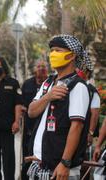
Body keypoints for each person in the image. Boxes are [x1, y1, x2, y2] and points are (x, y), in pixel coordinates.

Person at [27, 34, 92, 180]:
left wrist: (65, 162)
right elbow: (31, 111)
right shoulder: (48, 83)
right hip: (39, 165)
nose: (53, 54)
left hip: (60, 170)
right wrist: (48, 96)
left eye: (58, 50)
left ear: (72, 55)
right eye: (52, 51)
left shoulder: (78, 86)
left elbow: (76, 127)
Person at [21, 60, 48, 180]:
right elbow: (21, 103)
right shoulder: (27, 84)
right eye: (39, 66)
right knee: (27, 153)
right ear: (34, 69)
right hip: (29, 126)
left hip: (45, 126)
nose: (41, 68)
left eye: (43, 66)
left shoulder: (51, 83)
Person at [77, 68, 100, 179]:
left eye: (81, 70)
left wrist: (90, 133)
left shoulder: (91, 90)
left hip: (83, 133)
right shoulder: (70, 86)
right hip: (68, 132)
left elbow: (95, 114)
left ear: (87, 73)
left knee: (83, 162)